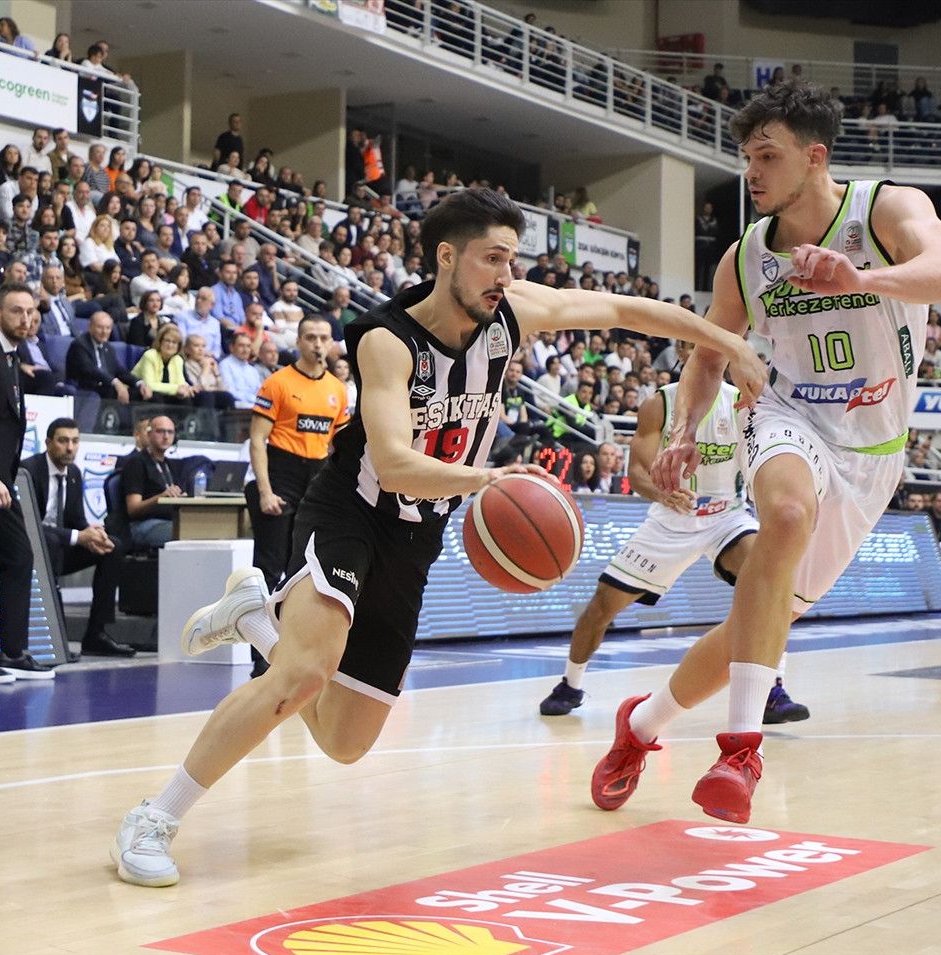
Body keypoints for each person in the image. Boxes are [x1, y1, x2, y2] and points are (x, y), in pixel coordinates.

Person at [109, 186, 765, 887]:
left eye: (513, 261)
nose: (506, 276)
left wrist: (724, 339)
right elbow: (391, 461)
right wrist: (485, 482)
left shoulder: (515, 312)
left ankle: (254, 620)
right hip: (350, 514)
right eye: (492, 259)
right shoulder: (386, 340)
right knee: (305, 673)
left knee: (344, 742)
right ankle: (153, 818)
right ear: (447, 256)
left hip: (415, 541)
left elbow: (628, 311)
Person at [591, 80, 941, 825]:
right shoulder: (746, 257)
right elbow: (705, 358)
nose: (751, 173)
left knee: (752, 628)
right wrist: (687, 438)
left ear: (815, 157)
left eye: (767, 156)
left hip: (875, 451)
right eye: (746, 157)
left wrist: (864, 278)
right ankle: (741, 747)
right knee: (785, 514)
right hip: (789, 417)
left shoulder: (885, 210)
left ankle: (639, 727)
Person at [540, 382, 808, 724]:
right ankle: (570, 685)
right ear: (683, 351)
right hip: (671, 520)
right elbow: (636, 473)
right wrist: (661, 493)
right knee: (601, 606)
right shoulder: (659, 404)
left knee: (773, 581)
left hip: (727, 516)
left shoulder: (742, 402)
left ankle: (771, 689)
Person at [244, 316, 348, 677]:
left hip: (316, 479)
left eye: (323, 338)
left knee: (304, 573)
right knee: (269, 567)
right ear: (299, 342)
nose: (317, 344)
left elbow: (339, 446)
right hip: (281, 476)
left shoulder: (338, 389)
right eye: (310, 337)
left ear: (331, 343)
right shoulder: (277, 383)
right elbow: (257, 440)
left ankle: (294, 652)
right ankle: (261, 659)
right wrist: (265, 491)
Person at [0, 282, 56, 682]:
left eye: (30, 311)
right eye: (16, 311)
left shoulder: (10, 358)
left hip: (1, 482)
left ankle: (14, 651)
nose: (25, 318)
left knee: (19, 558)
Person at [21, 419, 135, 657]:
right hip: (31, 547)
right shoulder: (29, 471)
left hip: (61, 545)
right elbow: (29, 526)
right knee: (50, 543)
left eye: (75, 441)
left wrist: (94, 534)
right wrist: (77, 536)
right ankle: (55, 637)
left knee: (112, 546)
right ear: (48, 443)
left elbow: (77, 520)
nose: (70, 448)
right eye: (63, 441)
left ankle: (97, 634)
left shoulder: (73, 472)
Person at [122, 414, 184, 550]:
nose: (166, 436)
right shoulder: (136, 463)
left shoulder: (170, 465)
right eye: (160, 431)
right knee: (187, 533)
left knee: (198, 529)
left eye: (170, 432)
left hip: (168, 522)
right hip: (142, 525)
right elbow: (133, 509)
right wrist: (161, 497)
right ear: (149, 434)